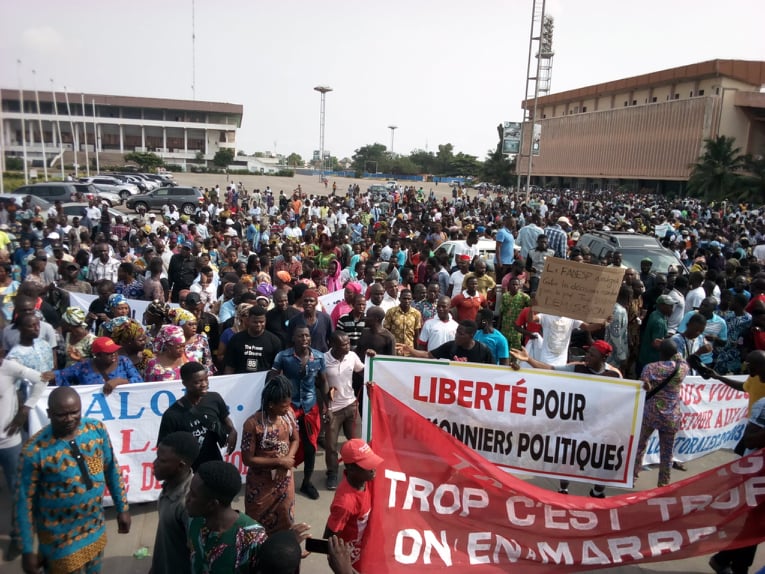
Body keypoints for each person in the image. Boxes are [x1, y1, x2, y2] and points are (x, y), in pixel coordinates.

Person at [16, 387, 131, 574]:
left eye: (74, 412)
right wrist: (27, 549)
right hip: (59, 541)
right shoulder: (34, 451)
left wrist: (122, 508)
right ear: (49, 414)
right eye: (62, 415)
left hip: (95, 530)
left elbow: (111, 469)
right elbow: (23, 502)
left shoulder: (96, 430)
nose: (70, 419)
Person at [510, 340, 621, 497]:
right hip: (576, 424)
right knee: (568, 458)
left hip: (601, 426)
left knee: (607, 458)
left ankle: (598, 491)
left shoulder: (614, 376)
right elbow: (551, 369)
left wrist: (642, 389)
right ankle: (563, 490)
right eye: (587, 353)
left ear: (603, 359)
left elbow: (628, 396)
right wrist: (529, 360)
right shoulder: (577, 368)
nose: (587, 357)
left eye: (592, 354)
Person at [270, 325, 328, 500]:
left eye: (307, 336)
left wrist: (327, 406)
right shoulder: (283, 356)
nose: (304, 339)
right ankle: (280, 482)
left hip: (310, 407)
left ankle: (306, 483)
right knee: (283, 445)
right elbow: (272, 376)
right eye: (300, 336)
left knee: (310, 447)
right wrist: (271, 400)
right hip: (289, 408)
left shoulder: (318, 356)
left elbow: (323, 381)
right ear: (293, 338)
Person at [185, 461, 266, 574]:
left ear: (212, 504)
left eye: (193, 495)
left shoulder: (254, 537)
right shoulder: (194, 520)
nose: (187, 498)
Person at [241, 375, 298, 534]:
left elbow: (295, 440)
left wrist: (287, 460)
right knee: (256, 522)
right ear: (271, 405)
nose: (287, 409)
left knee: (285, 516)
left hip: (284, 479)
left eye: (288, 405)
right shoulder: (252, 424)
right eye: (283, 406)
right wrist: (279, 462)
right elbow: (247, 459)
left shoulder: (288, 416)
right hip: (261, 484)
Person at [158, 362, 238, 470]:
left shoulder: (214, 398)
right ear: (185, 383)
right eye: (198, 382)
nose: (204, 384)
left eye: (206, 379)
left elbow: (225, 419)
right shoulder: (172, 414)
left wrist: (232, 431)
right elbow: (163, 447)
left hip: (214, 463)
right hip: (188, 470)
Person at [633, 339, 690, 488]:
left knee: (640, 446)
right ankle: (663, 484)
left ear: (660, 352)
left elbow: (645, 384)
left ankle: (632, 477)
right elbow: (680, 356)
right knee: (667, 453)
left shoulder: (651, 368)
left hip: (651, 414)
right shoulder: (683, 368)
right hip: (671, 416)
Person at [323, 439, 384, 567]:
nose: (373, 469)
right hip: (352, 556)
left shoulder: (365, 479)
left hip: (365, 544)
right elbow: (331, 534)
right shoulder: (345, 503)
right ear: (350, 468)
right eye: (367, 465)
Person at [150, 431, 200, 574]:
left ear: (180, 465)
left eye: (162, 461)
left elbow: (197, 553)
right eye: (157, 457)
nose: (155, 464)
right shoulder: (168, 486)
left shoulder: (188, 504)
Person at [324, 331, 366, 491]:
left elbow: (362, 371)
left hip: (351, 405)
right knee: (331, 445)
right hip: (332, 410)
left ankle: (356, 471)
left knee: (356, 443)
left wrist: (374, 361)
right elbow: (320, 384)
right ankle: (332, 473)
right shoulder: (323, 359)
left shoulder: (352, 356)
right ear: (332, 345)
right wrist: (326, 407)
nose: (348, 347)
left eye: (348, 343)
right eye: (343, 344)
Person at [54, 336, 142, 393]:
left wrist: (120, 381)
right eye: (108, 353)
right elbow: (62, 374)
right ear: (98, 355)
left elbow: (139, 380)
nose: (114, 354)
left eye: (115, 351)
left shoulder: (123, 361)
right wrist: (48, 375)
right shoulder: (84, 366)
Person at [402, 320, 495, 364]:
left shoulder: (483, 350)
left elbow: (495, 370)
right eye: (457, 332)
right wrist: (410, 350)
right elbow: (428, 355)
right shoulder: (450, 346)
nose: (456, 335)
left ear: (471, 336)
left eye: (461, 334)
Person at [224, 305, 282, 373]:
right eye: (255, 322)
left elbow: (277, 368)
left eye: (261, 322)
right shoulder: (236, 339)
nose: (258, 325)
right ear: (248, 320)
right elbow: (230, 366)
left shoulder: (274, 341)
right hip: (240, 381)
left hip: (264, 381)